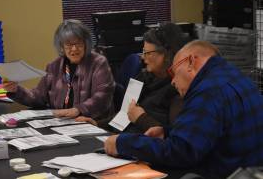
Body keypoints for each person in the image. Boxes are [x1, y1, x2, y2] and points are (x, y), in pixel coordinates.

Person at [104, 40, 263, 178]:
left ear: (192, 61)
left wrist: (124, 143)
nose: (172, 81)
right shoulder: (236, 77)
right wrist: (167, 132)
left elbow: (181, 152)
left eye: (173, 71)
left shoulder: (207, 91)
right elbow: (207, 132)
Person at [76, 23, 185, 132]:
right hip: (122, 139)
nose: (142, 57)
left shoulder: (178, 88)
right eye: (143, 52)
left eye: (147, 53)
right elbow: (123, 115)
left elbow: (174, 137)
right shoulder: (142, 77)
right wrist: (97, 124)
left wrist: (141, 118)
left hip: (144, 145)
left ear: (165, 55)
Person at [3, 19, 115, 120]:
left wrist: (78, 110)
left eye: (79, 44)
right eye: (69, 45)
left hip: (90, 122)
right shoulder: (54, 66)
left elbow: (103, 96)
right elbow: (38, 97)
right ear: (61, 46)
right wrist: (16, 90)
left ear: (86, 44)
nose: (74, 49)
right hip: (61, 122)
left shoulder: (98, 63)